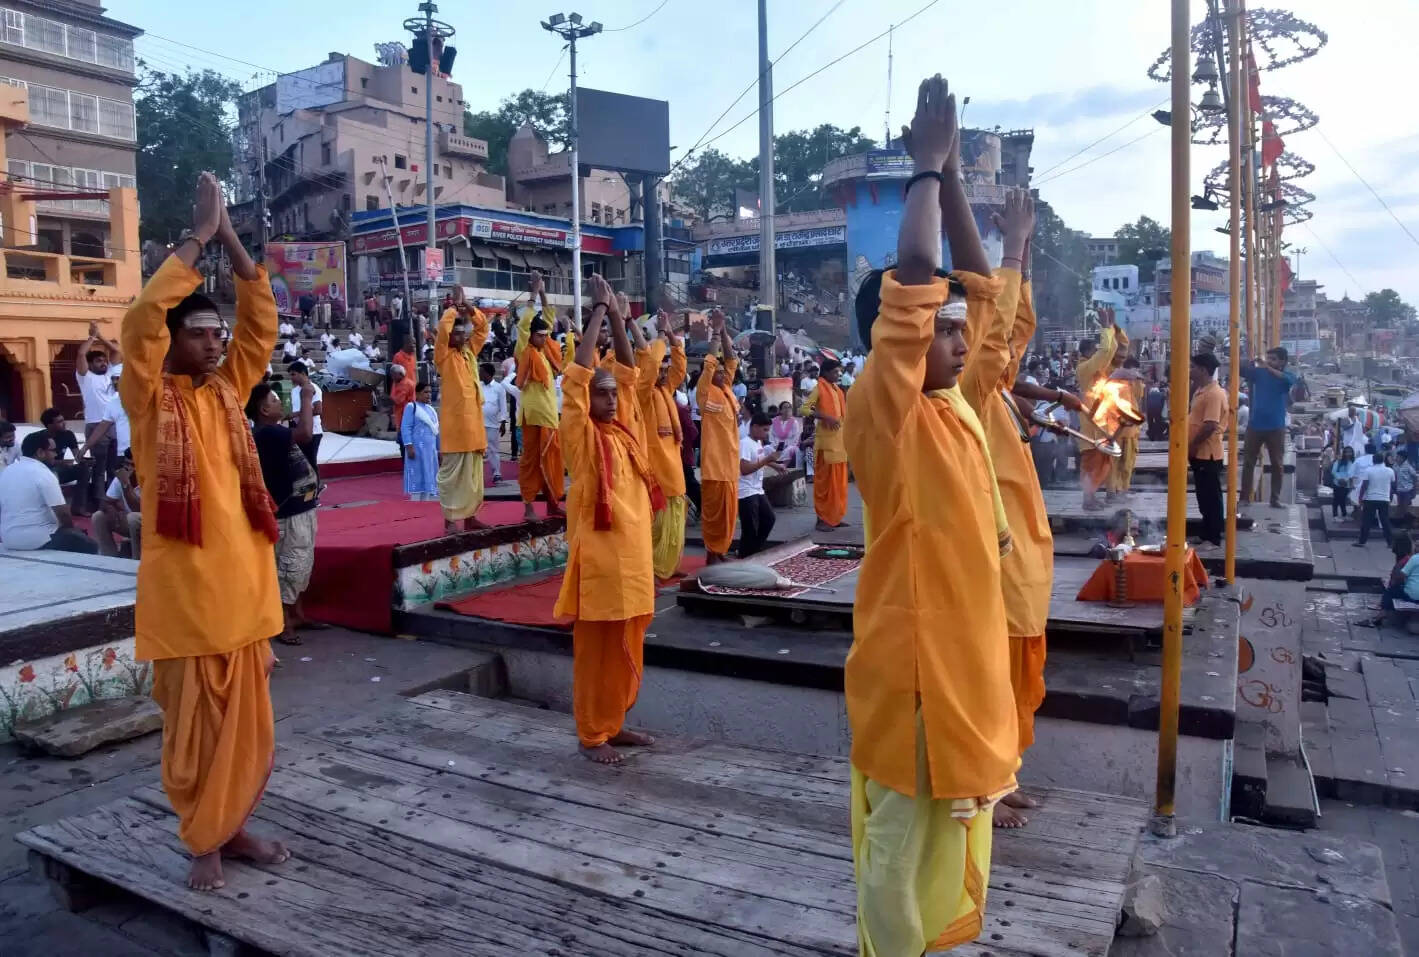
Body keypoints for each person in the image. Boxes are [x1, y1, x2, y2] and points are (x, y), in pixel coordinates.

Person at [843, 76, 1018, 955]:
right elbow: (916, 286)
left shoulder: (960, 402)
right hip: (911, 677)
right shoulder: (885, 407)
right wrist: (919, 169)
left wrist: (949, 176)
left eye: (954, 331)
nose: (956, 338)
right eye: (937, 331)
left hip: (963, 670)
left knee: (946, 846)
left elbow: (978, 290)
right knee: (897, 848)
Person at [118, 173, 289, 891]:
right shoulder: (150, 400)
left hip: (244, 593)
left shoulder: (228, 388)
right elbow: (139, 320)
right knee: (194, 731)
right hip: (188, 598)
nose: (217, 343)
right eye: (199, 333)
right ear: (171, 344)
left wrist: (231, 240)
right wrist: (196, 233)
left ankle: (233, 823)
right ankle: (202, 840)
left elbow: (262, 325)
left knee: (246, 730)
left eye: (217, 332)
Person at [954, 187, 1054, 829]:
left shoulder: (991, 385)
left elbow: (1010, 330)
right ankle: (984, 780)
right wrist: (1012, 245)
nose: (960, 344)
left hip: (1023, 563)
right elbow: (995, 334)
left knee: (1017, 678)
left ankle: (1004, 771)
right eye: (950, 335)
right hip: (991, 564)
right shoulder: (963, 388)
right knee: (987, 679)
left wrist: (1019, 249)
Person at [554, 274, 663, 766]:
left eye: (612, 395)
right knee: (596, 653)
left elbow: (627, 369)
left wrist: (619, 315)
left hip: (634, 564)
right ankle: (591, 734)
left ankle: (614, 723)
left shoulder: (625, 427)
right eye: (602, 396)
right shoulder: (579, 434)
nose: (611, 399)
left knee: (627, 648)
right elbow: (579, 377)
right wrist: (598, 311)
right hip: (600, 564)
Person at [247, 379, 320, 645]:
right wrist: (307, 396)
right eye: (275, 400)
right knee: (290, 566)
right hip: (290, 511)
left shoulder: (272, 431)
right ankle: (284, 622)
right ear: (263, 411)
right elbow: (305, 434)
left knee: (301, 563)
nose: (280, 403)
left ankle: (297, 614)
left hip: (301, 506)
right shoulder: (267, 433)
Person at [636, 310, 690, 581]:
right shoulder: (642, 393)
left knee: (676, 524)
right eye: (659, 367)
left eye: (664, 367)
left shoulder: (666, 391)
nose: (663, 371)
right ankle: (654, 570)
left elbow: (680, 367)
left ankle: (669, 564)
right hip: (656, 472)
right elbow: (649, 370)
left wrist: (669, 333)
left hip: (675, 471)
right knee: (657, 525)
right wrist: (658, 336)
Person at [434, 288, 492, 534]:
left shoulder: (469, 353)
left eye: (462, 333)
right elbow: (442, 332)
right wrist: (453, 308)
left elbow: (482, 330)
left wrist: (468, 306)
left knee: (474, 478)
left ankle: (470, 518)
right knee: (453, 476)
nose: (461, 337)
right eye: (456, 334)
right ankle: (449, 520)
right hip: (456, 428)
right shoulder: (443, 356)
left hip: (474, 428)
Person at [514, 272, 569, 521]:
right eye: (540, 335)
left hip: (549, 414)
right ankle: (527, 507)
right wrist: (534, 294)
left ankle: (551, 503)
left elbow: (548, 318)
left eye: (546, 335)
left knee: (552, 459)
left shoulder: (547, 350)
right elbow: (525, 324)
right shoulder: (525, 348)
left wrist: (544, 292)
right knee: (531, 461)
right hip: (533, 415)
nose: (543, 339)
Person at [0, 430, 98, 552]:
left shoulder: (7, 472)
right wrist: (72, 532)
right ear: (40, 452)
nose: (56, 454)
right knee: (91, 545)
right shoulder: (43, 473)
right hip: (39, 539)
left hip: (8, 539)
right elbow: (63, 514)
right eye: (52, 450)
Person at [697, 310, 740, 563]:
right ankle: (711, 553)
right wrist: (714, 332)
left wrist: (724, 330)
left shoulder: (726, 389)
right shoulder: (705, 391)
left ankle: (721, 550)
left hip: (730, 463)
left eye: (724, 370)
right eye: (718, 368)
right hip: (714, 466)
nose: (723, 370)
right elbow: (711, 362)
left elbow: (731, 359)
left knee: (728, 514)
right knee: (714, 513)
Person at [1240, 347, 1296, 508]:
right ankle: (1245, 497)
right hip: (1255, 424)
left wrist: (1267, 367)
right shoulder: (1259, 373)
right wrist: (1248, 361)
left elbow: (1289, 381)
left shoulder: (1287, 376)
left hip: (1276, 426)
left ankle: (1275, 498)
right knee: (1249, 462)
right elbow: (1242, 370)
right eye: (1268, 358)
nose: (1269, 361)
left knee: (1277, 464)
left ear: (1283, 361)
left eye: (1273, 359)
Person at [1076, 314, 1120, 510]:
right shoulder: (1084, 368)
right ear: (1087, 352)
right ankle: (1087, 499)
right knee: (1090, 464)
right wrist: (1104, 329)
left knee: (1104, 464)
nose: (1097, 354)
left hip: (1101, 426)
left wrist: (1110, 327)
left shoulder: (1097, 369)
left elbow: (1109, 352)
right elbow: (1104, 354)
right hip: (1090, 427)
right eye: (1093, 351)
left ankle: (1092, 496)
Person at [800, 358, 849, 531]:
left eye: (839, 372)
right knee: (824, 486)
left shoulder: (838, 391)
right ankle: (822, 519)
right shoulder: (818, 388)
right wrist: (825, 416)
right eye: (835, 372)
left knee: (839, 486)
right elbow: (804, 409)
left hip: (840, 445)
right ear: (826, 372)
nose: (838, 374)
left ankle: (834, 517)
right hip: (826, 447)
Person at [76, 321, 121, 508]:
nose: (103, 363)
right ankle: (99, 504)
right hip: (96, 426)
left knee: (114, 468)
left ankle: (112, 502)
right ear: (91, 364)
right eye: (99, 361)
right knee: (99, 469)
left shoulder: (110, 374)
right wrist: (92, 337)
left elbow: (118, 352)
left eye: (104, 360)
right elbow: (80, 354)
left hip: (114, 426)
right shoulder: (85, 376)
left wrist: (101, 336)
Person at [1188, 353, 1228, 548]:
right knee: (1203, 495)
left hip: (1207, 452)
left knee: (1211, 496)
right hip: (1199, 453)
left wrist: (1193, 445)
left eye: (1193, 367)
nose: (1190, 370)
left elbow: (1210, 425)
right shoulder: (1200, 391)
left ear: (1203, 370)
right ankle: (1206, 532)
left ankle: (1214, 535)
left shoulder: (1214, 393)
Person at [737, 411, 785, 557]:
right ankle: (746, 554)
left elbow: (761, 458)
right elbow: (744, 469)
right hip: (745, 490)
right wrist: (766, 460)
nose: (766, 433)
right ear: (755, 427)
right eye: (764, 430)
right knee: (750, 527)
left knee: (769, 519)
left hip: (757, 489)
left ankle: (752, 550)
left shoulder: (757, 442)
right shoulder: (744, 443)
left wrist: (776, 465)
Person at [39, 407, 92, 516]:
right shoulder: (40, 438)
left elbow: (77, 456)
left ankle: (78, 507)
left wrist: (86, 460)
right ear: (50, 425)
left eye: (63, 420)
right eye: (59, 422)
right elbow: (39, 464)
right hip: (45, 472)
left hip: (61, 470)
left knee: (84, 469)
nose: (64, 424)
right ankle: (56, 512)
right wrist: (61, 463)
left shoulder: (68, 434)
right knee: (53, 473)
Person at [92, 450, 142, 558]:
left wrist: (125, 485)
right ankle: (110, 559)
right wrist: (111, 508)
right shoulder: (120, 478)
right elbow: (104, 503)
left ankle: (135, 562)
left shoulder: (148, 479)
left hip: (145, 523)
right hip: (128, 521)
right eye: (126, 464)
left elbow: (137, 508)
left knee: (132, 518)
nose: (128, 468)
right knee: (98, 516)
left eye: (132, 465)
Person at [401, 380, 440, 501]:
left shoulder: (431, 410)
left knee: (429, 478)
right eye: (425, 392)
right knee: (417, 478)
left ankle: (425, 507)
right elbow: (405, 428)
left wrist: (439, 450)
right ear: (417, 394)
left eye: (430, 392)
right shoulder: (411, 407)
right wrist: (409, 446)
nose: (429, 394)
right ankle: (415, 506)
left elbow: (436, 431)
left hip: (430, 451)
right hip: (417, 450)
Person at [480, 362, 516, 486]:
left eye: (482, 372)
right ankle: (477, 476)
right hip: (478, 423)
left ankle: (497, 474)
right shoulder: (478, 386)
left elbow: (503, 406)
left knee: (493, 450)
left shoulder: (499, 388)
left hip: (493, 424)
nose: (479, 374)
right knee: (477, 450)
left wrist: (503, 422)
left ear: (488, 374)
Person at [286, 361, 323, 474]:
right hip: (298, 429)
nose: (291, 378)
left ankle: (316, 486)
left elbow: (318, 410)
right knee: (300, 462)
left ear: (302, 373)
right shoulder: (294, 391)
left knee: (310, 462)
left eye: (293, 374)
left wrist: (295, 414)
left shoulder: (314, 388)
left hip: (313, 431)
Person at [1355, 451, 1396, 548]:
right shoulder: (1390, 471)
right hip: (1384, 499)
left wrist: (1360, 498)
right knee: (1385, 521)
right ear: (1383, 460)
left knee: (1367, 521)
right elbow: (1392, 484)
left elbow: (1364, 486)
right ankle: (1390, 542)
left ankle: (1362, 541)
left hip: (1371, 499)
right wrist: (1390, 496)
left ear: (1373, 460)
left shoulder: (1369, 470)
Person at [771, 401, 803, 467]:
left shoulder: (794, 422)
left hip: (790, 445)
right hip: (776, 445)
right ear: (780, 410)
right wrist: (775, 445)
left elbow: (796, 437)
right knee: (767, 448)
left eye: (789, 407)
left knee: (789, 450)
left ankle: (783, 467)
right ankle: (772, 467)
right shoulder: (773, 421)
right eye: (785, 407)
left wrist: (785, 445)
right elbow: (771, 435)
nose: (787, 409)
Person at [1329, 446, 1357, 519]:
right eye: (1346, 452)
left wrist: (1347, 481)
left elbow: (1351, 473)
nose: (1348, 454)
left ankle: (1344, 514)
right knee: (1336, 499)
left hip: (1346, 484)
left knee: (1343, 500)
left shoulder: (1353, 462)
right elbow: (1333, 471)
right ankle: (1335, 515)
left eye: (1350, 452)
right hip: (1337, 483)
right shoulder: (1339, 461)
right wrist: (1339, 479)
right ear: (1344, 453)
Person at [1397, 450, 1417, 523]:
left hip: (1407, 491)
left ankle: (1408, 523)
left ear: (1402, 458)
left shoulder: (1408, 466)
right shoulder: (1397, 466)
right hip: (1400, 490)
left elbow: (1414, 477)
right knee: (1400, 507)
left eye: (1398, 457)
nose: (1397, 458)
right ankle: (1402, 522)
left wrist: (1414, 490)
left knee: (1406, 508)